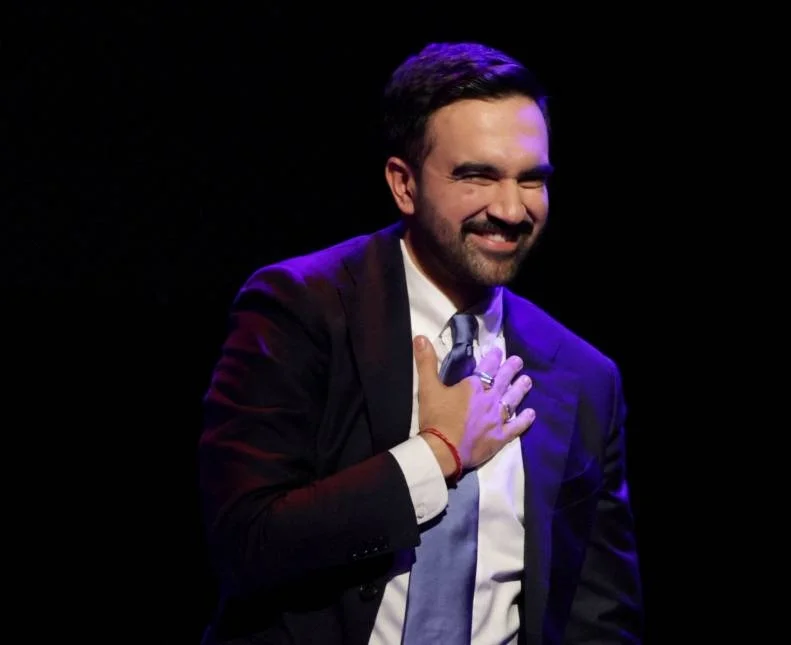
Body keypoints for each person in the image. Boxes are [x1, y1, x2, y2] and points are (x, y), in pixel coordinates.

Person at [197, 41, 643, 644]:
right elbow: (245, 544)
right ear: (404, 185)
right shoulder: (300, 310)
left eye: (531, 179)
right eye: (477, 176)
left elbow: (598, 617)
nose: (511, 209)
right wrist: (436, 454)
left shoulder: (585, 376)